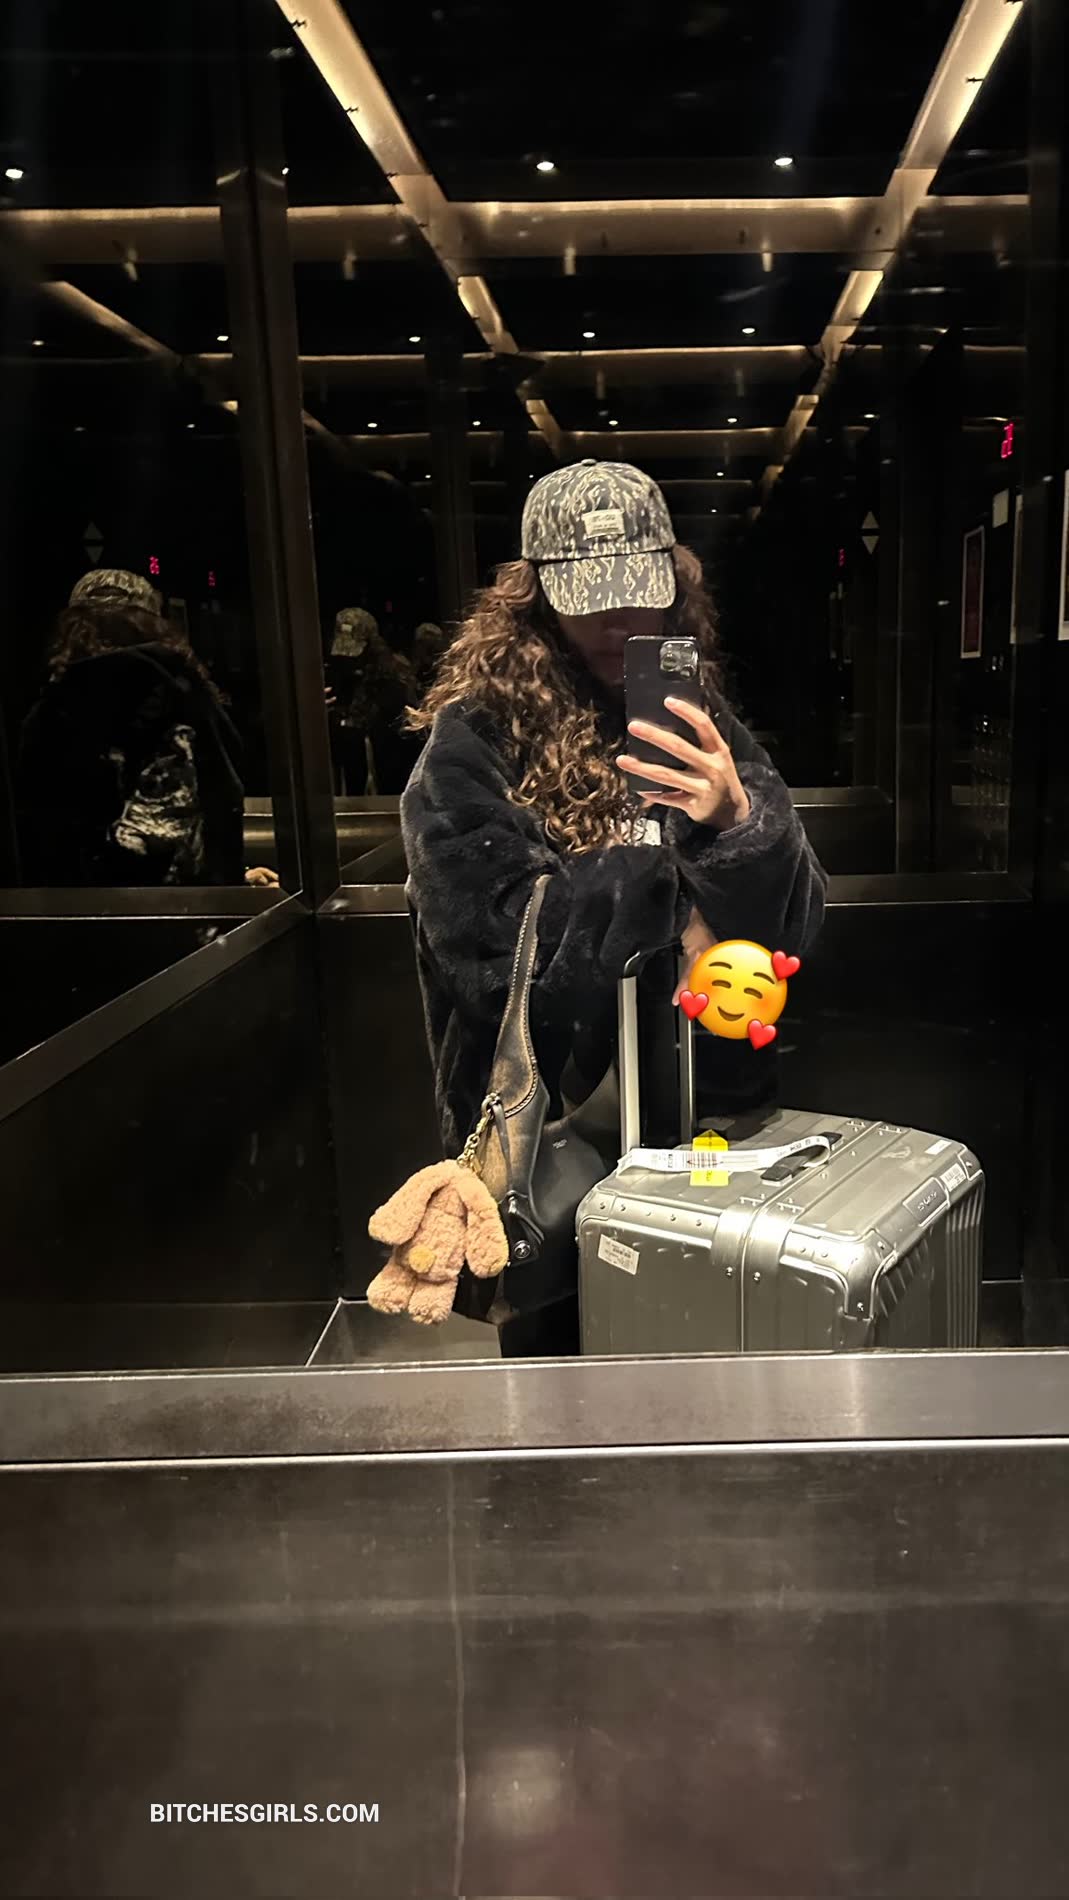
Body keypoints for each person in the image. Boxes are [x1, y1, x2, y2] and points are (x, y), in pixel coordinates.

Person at [402, 460, 827, 1159]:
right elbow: (496, 958)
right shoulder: (476, 736)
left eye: (635, 593)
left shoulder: (694, 718)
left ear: (673, 587)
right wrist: (679, 913)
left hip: (706, 1116)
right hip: (544, 1137)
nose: (615, 619)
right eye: (589, 597)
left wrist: (737, 826)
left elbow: (794, 931)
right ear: (536, 602)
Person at [17, 568, 249, 886]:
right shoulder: (185, 690)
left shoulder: (54, 703)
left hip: (74, 900)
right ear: (153, 623)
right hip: (189, 900)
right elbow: (224, 786)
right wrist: (231, 878)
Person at [325, 607, 417, 795]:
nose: (348, 661)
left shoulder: (393, 678)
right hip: (350, 772)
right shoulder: (337, 675)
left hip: (388, 772)